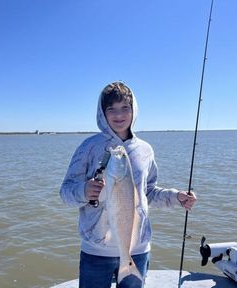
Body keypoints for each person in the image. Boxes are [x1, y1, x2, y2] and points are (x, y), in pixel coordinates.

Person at [60, 81, 196, 288]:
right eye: (111, 109)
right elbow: (65, 192)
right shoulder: (88, 147)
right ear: (102, 113)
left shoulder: (145, 150)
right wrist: (84, 191)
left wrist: (176, 197)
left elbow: (148, 192)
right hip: (96, 251)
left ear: (134, 110)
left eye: (125, 107)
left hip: (137, 251)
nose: (119, 114)